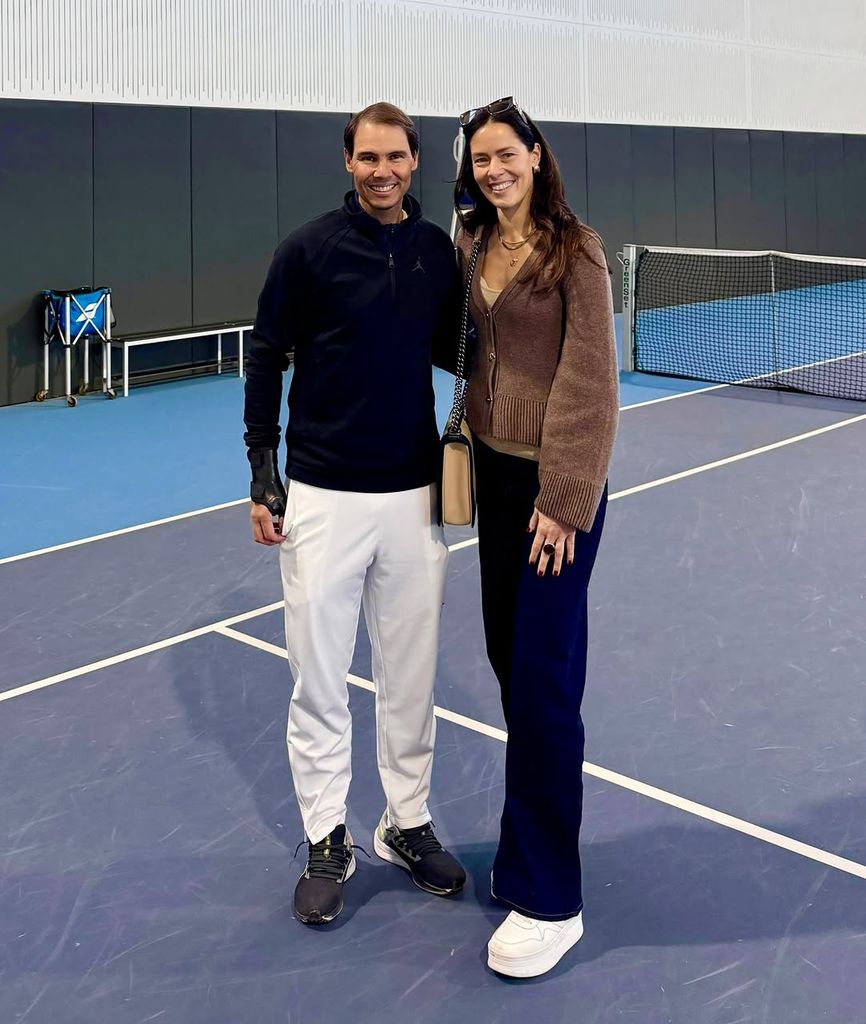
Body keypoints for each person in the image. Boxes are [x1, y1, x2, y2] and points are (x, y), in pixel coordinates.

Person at [244, 101, 465, 926]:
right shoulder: (306, 251)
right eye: (367, 157)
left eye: (396, 157)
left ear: (414, 162)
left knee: (409, 677)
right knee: (320, 681)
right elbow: (266, 355)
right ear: (348, 161)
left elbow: (454, 349)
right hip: (323, 499)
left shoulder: (438, 251)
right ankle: (328, 837)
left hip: (413, 499)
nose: (382, 170)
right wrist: (264, 471)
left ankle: (405, 822)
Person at [454, 97, 619, 977]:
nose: (493, 168)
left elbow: (592, 385)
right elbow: (465, 349)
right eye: (480, 157)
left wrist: (561, 498)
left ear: (535, 153)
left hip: (556, 495)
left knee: (546, 686)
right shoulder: (472, 243)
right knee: (511, 668)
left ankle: (553, 898)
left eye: (505, 153)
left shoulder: (575, 249)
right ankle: (524, 854)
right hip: (494, 480)